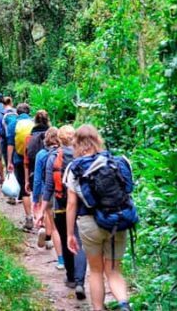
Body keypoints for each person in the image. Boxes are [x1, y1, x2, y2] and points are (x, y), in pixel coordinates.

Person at [66, 125, 131, 311]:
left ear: (76, 143)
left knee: (95, 271)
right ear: (97, 140)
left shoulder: (75, 167)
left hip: (90, 223)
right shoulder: (116, 162)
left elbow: (71, 204)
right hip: (118, 220)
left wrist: (70, 234)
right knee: (114, 271)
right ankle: (124, 305)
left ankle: (98, 308)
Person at [43, 125, 87, 300]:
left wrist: (42, 208)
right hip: (82, 207)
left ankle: (70, 277)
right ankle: (80, 282)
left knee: (66, 239)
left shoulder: (53, 157)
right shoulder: (83, 156)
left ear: (59, 139)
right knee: (80, 242)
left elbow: (49, 186)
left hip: (61, 205)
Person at [33, 127, 63, 269]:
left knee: (53, 223)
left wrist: (36, 200)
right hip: (64, 194)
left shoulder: (41, 154)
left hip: (48, 192)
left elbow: (37, 179)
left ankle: (60, 259)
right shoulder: (65, 153)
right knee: (67, 226)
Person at [5, 103, 34, 228]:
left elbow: (10, 144)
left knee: (24, 189)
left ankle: (29, 219)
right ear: (28, 112)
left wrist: (9, 161)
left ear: (17, 113)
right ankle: (43, 221)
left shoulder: (13, 124)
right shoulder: (34, 123)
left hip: (19, 159)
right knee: (38, 189)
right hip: (34, 161)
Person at [0, 97, 16, 168]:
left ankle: (9, 173)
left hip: (5, 141)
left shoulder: (0, 114)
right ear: (11, 103)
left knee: (8, 161)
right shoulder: (16, 112)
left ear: (3, 104)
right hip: (17, 140)